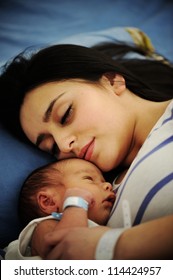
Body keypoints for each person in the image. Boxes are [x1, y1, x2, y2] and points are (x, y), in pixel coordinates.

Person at [0, 43, 173, 259]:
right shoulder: (100, 193)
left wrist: (112, 247)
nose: (64, 145)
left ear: (112, 81)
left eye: (65, 114)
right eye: (51, 147)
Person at [5, 158, 118, 259]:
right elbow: (61, 249)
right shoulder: (46, 225)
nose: (108, 185)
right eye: (89, 179)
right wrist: (75, 205)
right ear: (48, 202)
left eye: (103, 180)